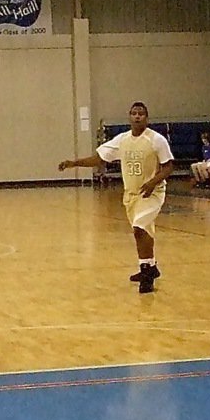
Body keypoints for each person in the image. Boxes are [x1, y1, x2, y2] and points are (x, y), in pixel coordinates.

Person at [58, 101, 174, 293]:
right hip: (132, 194)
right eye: (134, 113)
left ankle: (146, 274)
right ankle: (151, 267)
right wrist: (74, 163)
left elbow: (169, 166)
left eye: (141, 114)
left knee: (140, 228)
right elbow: (99, 158)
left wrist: (153, 182)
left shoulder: (156, 140)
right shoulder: (122, 140)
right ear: (129, 116)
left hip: (152, 193)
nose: (137, 116)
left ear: (147, 118)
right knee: (145, 231)